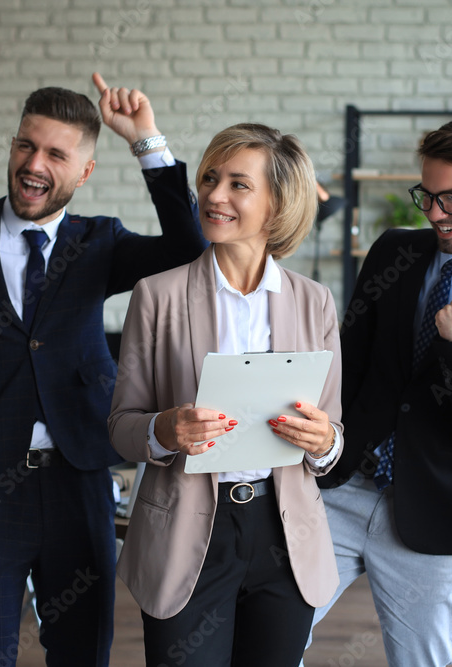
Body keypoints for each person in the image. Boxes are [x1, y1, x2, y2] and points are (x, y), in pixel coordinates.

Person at [0, 74, 206, 666]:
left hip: (78, 481)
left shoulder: (99, 243)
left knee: (82, 654)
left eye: (55, 153)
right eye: (27, 145)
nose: (34, 163)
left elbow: (190, 248)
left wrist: (146, 140)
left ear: (84, 172)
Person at [108, 123, 343, 666]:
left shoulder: (315, 303)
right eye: (210, 179)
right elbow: (121, 425)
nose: (214, 195)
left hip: (284, 537)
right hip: (189, 534)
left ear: (278, 203)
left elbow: (332, 437)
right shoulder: (157, 296)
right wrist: (164, 430)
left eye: (239, 184)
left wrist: (324, 440)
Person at [308, 114, 452, 666]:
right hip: (340, 489)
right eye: (426, 195)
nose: (435, 213)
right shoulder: (394, 252)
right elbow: (349, 362)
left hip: (430, 517)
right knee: (270, 639)